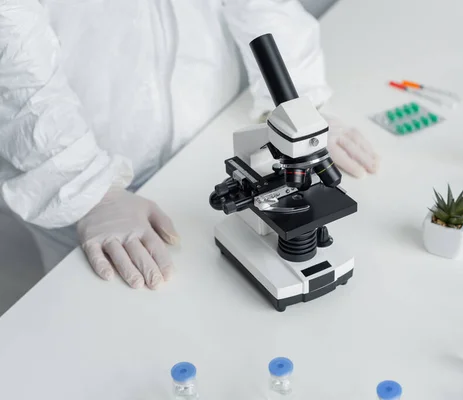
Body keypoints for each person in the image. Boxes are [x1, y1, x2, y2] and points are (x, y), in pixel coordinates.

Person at [0, 0, 380, 290]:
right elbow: (13, 48)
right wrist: (89, 190)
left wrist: (297, 106)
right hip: (66, 171)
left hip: (202, 130)